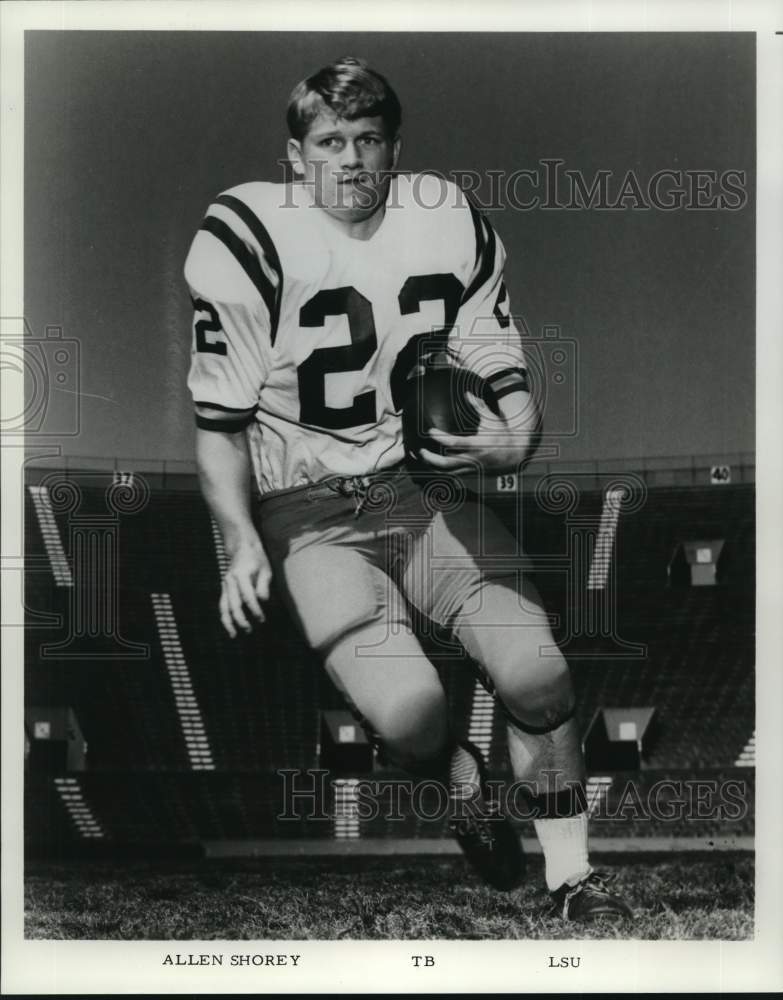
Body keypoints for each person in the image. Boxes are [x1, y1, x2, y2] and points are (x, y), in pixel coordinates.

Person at [184, 56, 632, 922]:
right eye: (328, 141)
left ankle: (572, 878)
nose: (348, 160)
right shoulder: (243, 235)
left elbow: (493, 350)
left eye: (367, 139)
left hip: (419, 490)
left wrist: (515, 426)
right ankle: (455, 772)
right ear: (294, 153)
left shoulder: (445, 218)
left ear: (396, 148)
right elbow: (220, 423)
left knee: (538, 673)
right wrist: (240, 540)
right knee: (412, 714)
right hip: (306, 512)